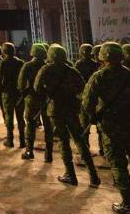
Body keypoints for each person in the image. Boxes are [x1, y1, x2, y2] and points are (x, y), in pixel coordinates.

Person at [83, 42, 130, 214]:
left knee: (119, 164)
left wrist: (95, 115)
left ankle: (128, 203)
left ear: (103, 57)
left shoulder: (98, 77)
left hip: (111, 127)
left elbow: (87, 103)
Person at [35, 45, 99, 186]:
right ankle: (93, 176)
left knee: (63, 141)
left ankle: (70, 175)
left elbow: (37, 87)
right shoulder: (72, 70)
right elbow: (83, 88)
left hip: (56, 109)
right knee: (80, 140)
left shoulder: (46, 69)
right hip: (71, 108)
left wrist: (49, 92)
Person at [19, 43, 51, 161]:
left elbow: (21, 84)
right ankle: (48, 154)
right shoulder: (48, 66)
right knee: (48, 126)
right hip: (46, 100)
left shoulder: (27, 66)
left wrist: (24, 92)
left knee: (30, 125)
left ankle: (29, 151)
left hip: (32, 99)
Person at [0, 43, 26, 148]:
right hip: (18, 93)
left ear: (4, 52)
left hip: (7, 93)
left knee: (9, 116)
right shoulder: (20, 62)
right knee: (20, 117)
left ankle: (10, 139)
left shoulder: (2, 63)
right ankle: (22, 140)